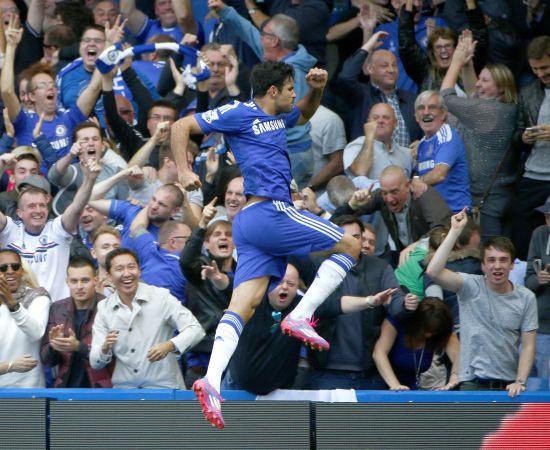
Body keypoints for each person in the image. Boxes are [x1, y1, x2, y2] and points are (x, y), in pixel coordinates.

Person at [172, 61, 360, 428]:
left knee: (245, 304)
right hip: (271, 211)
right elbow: (182, 126)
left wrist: (317, 89)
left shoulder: (279, 118)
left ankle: (210, 381)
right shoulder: (241, 112)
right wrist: (183, 169)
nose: (294, 93)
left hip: (250, 226)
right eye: (290, 87)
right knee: (351, 246)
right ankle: (302, 315)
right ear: (273, 90)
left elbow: (303, 114)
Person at [426, 209, 537, 397]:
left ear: (512, 265)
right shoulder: (469, 285)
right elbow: (433, 272)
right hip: (471, 383)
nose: (497, 265)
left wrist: (520, 381)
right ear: (483, 265)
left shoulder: (526, 297)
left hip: (509, 387)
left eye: (503, 260)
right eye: (491, 260)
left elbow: (528, 346)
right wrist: (454, 231)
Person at [89, 248, 205, 389]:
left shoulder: (161, 297)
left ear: (139, 270)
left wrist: (170, 345)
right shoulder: (104, 308)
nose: (127, 273)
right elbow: (95, 362)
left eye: (131, 267)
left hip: (164, 388)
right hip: (125, 391)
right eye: (119, 269)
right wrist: (105, 348)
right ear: (109, 276)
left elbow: (196, 329)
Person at [440, 32, 518, 239]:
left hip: (487, 201)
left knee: (490, 255)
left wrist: (456, 60)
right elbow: (474, 93)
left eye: (485, 81)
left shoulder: (486, 112)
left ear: (501, 87)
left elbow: (445, 97)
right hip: (504, 194)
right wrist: (467, 64)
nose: (478, 84)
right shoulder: (505, 108)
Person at [0, 161, 100, 301]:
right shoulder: (10, 230)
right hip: (18, 310)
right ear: (20, 212)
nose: (38, 210)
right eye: (31, 206)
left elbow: (77, 206)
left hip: (57, 314)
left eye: (42, 205)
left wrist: (90, 179)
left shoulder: (57, 229)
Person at [180, 200, 236, 387]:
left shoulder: (244, 272)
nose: (223, 238)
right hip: (202, 355)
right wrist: (202, 223)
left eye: (229, 235)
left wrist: (224, 282)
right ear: (206, 242)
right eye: (217, 235)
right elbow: (186, 261)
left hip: (234, 354)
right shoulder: (200, 268)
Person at [335, 165, 451, 255]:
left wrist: (417, 246)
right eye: (385, 193)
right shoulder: (380, 197)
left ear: (407, 185)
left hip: (437, 258)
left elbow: (442, 232)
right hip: (404, 257)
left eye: (395, 192)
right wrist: (352, 205)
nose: (389, 199)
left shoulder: (423, 195)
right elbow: (339, 220)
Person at [40, 257, 112, 388]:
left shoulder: (108, 306)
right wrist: (54, 346)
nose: (79, 286)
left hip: (101, 389)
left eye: (85, 280)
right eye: (74, 281)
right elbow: (47, 360)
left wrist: (78, 347)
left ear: (95, 281)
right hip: (65, 388)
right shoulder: (57, 308)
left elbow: (112, 356)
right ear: (67, 282)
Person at [337, 31, 421, 144]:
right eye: (384, 66)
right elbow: (346, 76)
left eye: (394, 65)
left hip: (405, 160)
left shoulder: (411, 99)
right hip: (369, 159)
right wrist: (368, 46)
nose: (391, 70)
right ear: (370, 69)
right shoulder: (360, 95)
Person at [512, 36, 550, 260]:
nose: (540, 74)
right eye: (535, 69)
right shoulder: (527, 92)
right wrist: (524, 137)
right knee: (522, 236)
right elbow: (515, 135)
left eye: (545, 67)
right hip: (533, 175)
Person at [373, 297, 460, 390]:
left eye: (434, 331)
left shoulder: (443, 331)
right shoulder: (397, 320)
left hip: (411, 387)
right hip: (380, 383)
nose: (428, 335)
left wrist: (454, 378)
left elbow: (458, 355)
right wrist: (395, 385)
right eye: (425, 330)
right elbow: (379, 353)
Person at [414, 90, 471, 213]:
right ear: (416, 117)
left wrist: (411, 184)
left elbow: (438, 175)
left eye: (432, 107)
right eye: (421, 108)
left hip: (456, 216)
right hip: (435, 217)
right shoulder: (422, 144)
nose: (426, 112)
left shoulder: (447, 136)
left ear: (444, 114)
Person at [0, 249, 51, 387]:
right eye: (3, 268)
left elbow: (37, 333)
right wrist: (10, 366)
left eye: (15, 266)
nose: (10, 271)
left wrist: (13, 305)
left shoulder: (37, 296)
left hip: (29, 387)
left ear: (21, 271)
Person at [130, 205, 190, 304]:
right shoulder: (184, 266)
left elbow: (137, 227)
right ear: (172, 242)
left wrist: (152, 203)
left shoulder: (148, 248)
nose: (193, 244)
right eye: (189, 240)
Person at [344, 103, 413, 179]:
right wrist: (369, 137)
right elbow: (360, 171)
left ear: (395, 123)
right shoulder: (355, 146)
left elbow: (418, 179)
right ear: (368, 122)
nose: (380, 121)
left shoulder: (407, 154)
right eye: (375, 118)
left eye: (386, 117)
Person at [525, 197, 550, 378]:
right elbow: (528, 281)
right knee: (538, 390)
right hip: (541, 328)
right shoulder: (540, 234)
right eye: (548, 216)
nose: (549, 222)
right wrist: (539, 280)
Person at [89, 225, 121, 296]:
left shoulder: (133, 282)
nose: (112, 251)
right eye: (105, 247)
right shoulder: (85, 284)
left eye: (116, 247)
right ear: (94, 253)